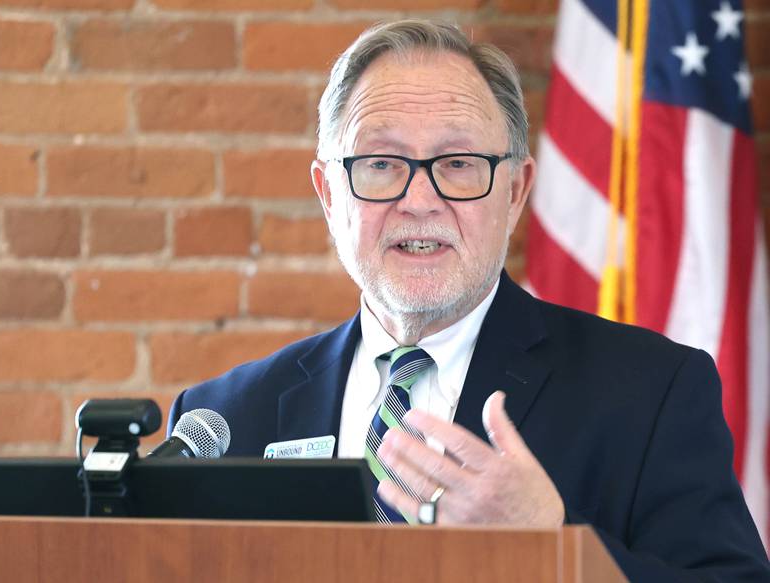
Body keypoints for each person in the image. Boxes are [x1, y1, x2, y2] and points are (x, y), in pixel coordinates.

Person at [167, 19, 770, 580]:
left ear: (514, 192)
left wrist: (551, 546)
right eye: (381, 163)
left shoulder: (653, 391)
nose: (419, 200)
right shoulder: (223, 418)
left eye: (457, 164)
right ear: (329, 194)